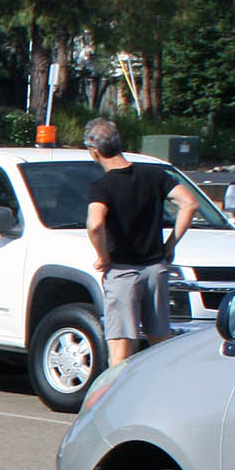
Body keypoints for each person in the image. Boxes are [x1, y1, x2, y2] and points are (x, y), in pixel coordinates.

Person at [84, 117, 198, 366]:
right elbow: (189, 204)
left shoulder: (102, 186)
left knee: (120, 351)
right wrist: (170, 245)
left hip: (123, 272)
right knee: (161, 345)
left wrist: (103, 256)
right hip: (156, 270)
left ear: (94, 151)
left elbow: (95, 224)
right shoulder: (154, 175)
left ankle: (118, 391)